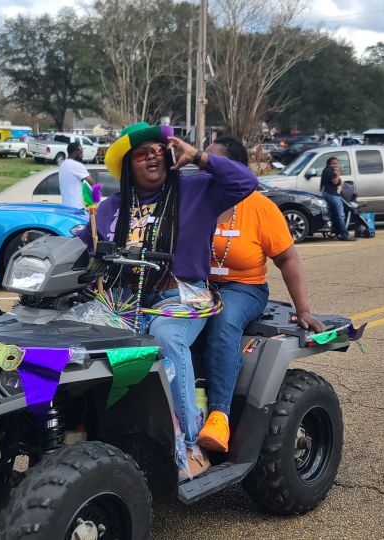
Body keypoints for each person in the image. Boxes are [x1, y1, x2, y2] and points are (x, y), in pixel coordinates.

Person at [84, 122, 257, 477]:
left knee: (166, 336)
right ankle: (84, 432)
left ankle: (192, 446)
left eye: (158, 150)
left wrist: (198, 156)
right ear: (128, 167)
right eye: (142, 154)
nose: (152, 157)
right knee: (78, 337)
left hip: (181, 296)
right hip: (123, 300)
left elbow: (246, 183)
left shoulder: (195, 189)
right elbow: (85, 244)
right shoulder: (112, 207)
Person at [196, 137, 325, 452]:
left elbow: (288, 259)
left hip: (245, 288)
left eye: (213, 161)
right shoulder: (197, 200)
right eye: (203, 161)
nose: (205, 167)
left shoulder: (260, 207)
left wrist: (304, 309)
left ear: (235, 169)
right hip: (198, 287)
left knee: (224, 321)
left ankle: (219, 417)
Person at [320, 157, 354, 241]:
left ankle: (338, 231)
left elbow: (337, 185)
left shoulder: (329, 171)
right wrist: (338, 173)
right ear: (329, 164)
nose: (335, 165)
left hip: (332, 194)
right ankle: (345, 235)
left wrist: (340, 187)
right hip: (332, 195)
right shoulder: (329, 171)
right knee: (340, 215)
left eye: (336, 163)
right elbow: (335, 182)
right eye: (333, 163)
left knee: (336, 214)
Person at [58, 142, 94, 209]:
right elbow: (91, 182)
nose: (82, 155)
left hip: (66, 205)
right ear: (75, 153)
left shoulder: (63, 164)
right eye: (80, 153)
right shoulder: (77, 165)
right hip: (77, 207)